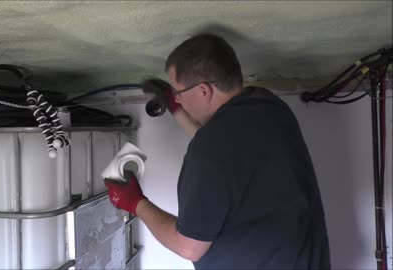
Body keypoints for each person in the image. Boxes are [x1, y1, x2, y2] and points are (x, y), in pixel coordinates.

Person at [104, 34, 331, 269]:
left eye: (179, 92)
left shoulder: (210, 151)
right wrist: (176, 109)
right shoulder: (269, 106)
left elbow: (189, 246)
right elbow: (225, 150)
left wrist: (135, 202)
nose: (178, 99)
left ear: (204, 91)